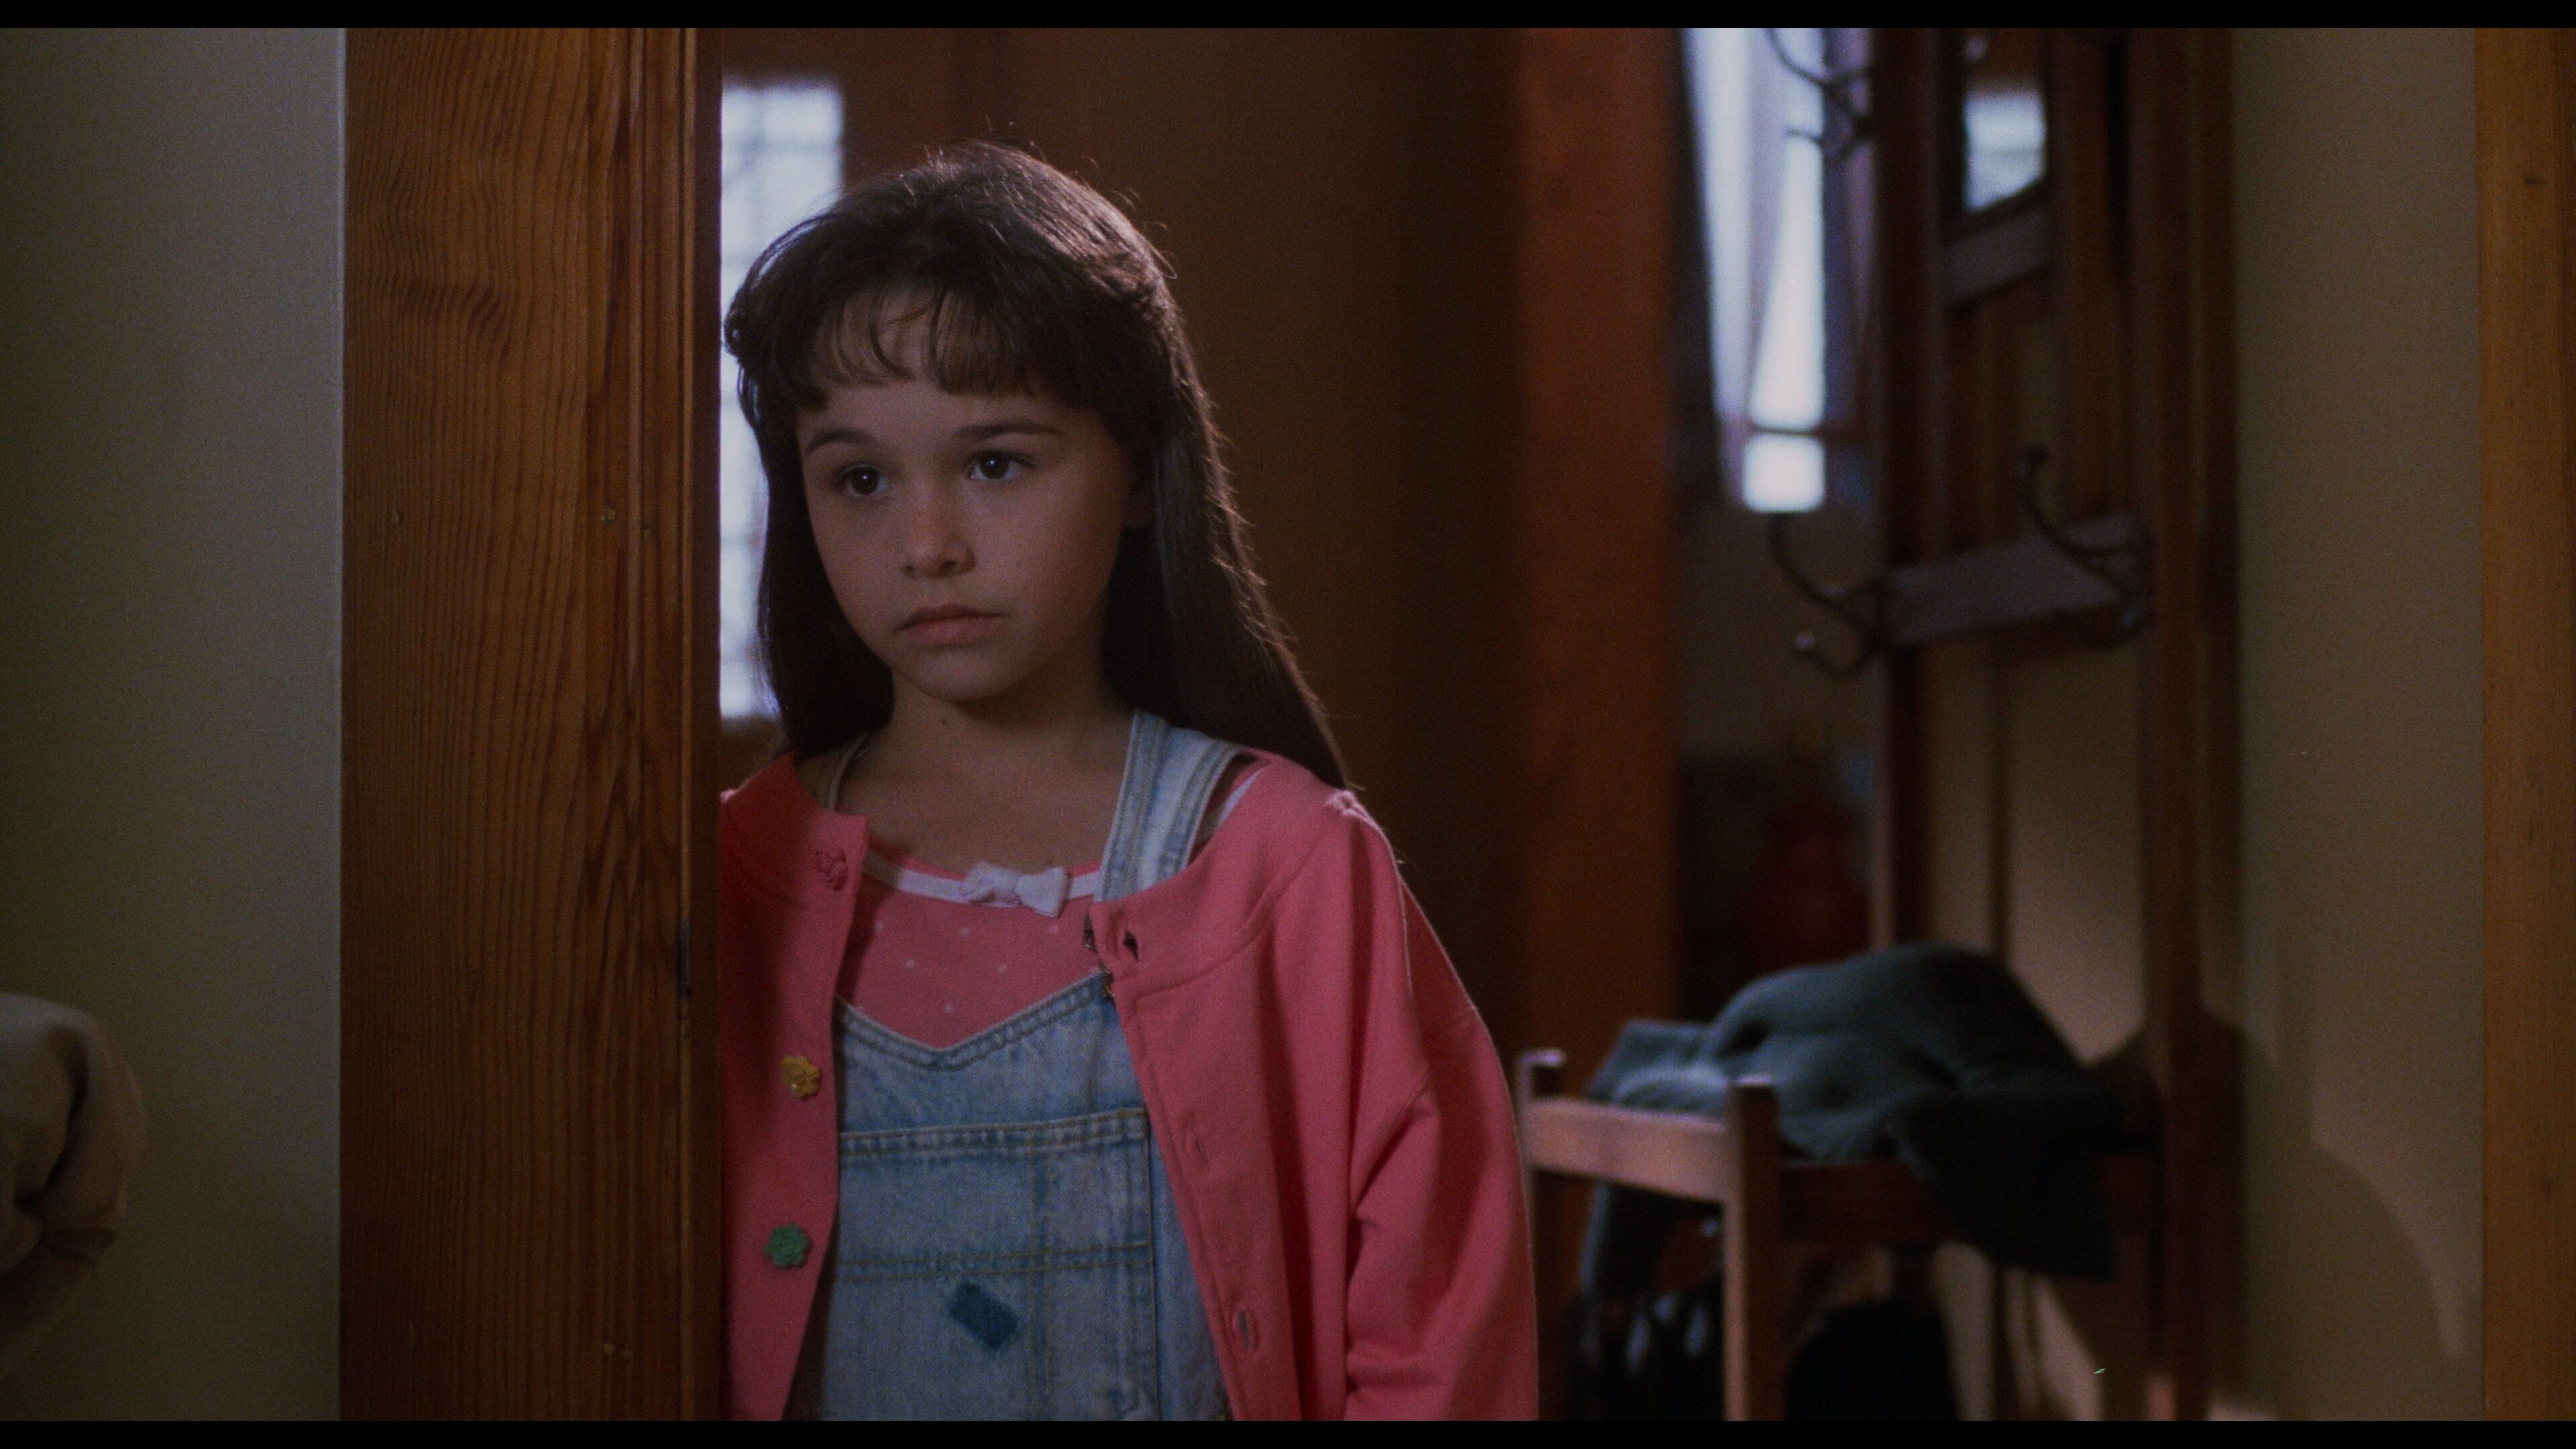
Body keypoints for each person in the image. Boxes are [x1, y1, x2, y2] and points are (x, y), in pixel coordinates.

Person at [716, 144, 1536, 1420]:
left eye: (997, 463)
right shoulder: (735, 872)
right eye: (859, 479)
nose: (927, 545)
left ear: (1142, 473)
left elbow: (1438, 1319)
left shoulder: (1280, 864)